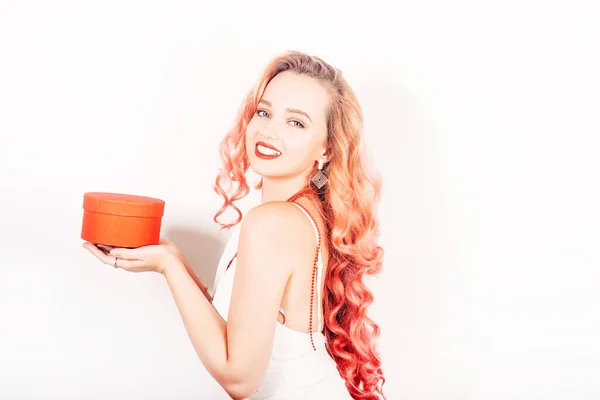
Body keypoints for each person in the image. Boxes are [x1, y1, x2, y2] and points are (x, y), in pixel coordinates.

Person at [83, 50, 386, 399]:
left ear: (327, 150)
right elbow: (242, 328)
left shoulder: (272, 222)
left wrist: (168, 267)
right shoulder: (303, 212)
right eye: (264, 111)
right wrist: (173, 258)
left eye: (296, 122)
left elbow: (240, 379)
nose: (270, 131)